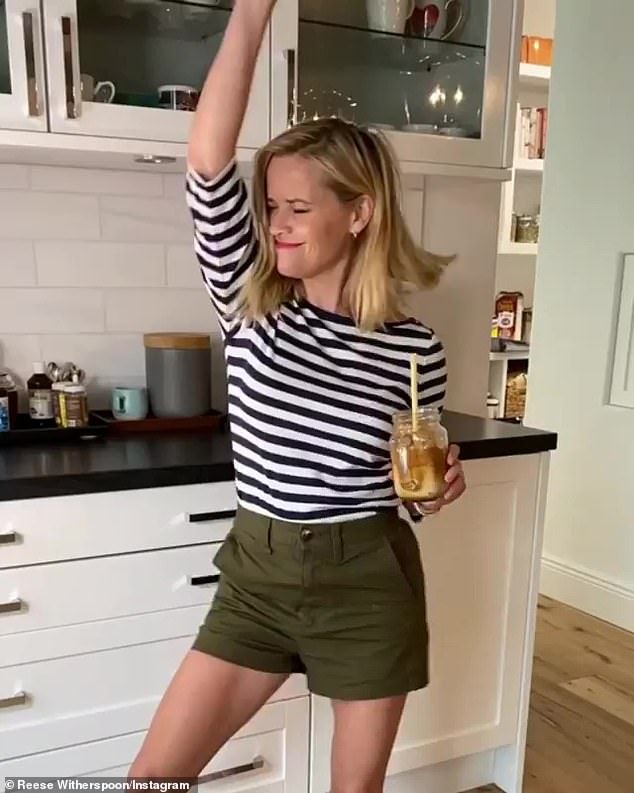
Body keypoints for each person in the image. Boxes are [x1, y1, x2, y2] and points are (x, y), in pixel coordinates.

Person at [128, 1, 466, 790]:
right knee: (153, 775)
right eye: (272, 207)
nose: (276, 226)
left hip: (368, 580)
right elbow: (207, 163)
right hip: (259, 575)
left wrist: (439, 485)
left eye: (298, 209)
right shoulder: (254, 307)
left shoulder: (415, 350)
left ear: (360, 213)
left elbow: (410, 489)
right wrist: (251, 13)